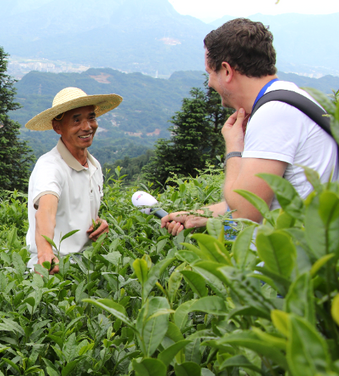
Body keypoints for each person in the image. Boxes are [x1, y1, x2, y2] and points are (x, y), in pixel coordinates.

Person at [162, 18, 338, 235]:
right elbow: (262, 202)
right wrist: (196, 216)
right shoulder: (291, 98)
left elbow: (243, 214)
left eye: (210, 72)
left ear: (226, 71)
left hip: (291, 263)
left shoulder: (273, 114)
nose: (209, 83)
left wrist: (234, 148)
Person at [24, 87, 122, 273]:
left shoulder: (94, 166)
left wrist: (97, 224)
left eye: (91, 117)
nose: (87, 127)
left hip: (86, 270)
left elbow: (76, 213)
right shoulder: (49, 167)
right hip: (53, 270)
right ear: (57, 127)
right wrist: (45, 252)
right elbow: (46, 210)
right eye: (76, 120)